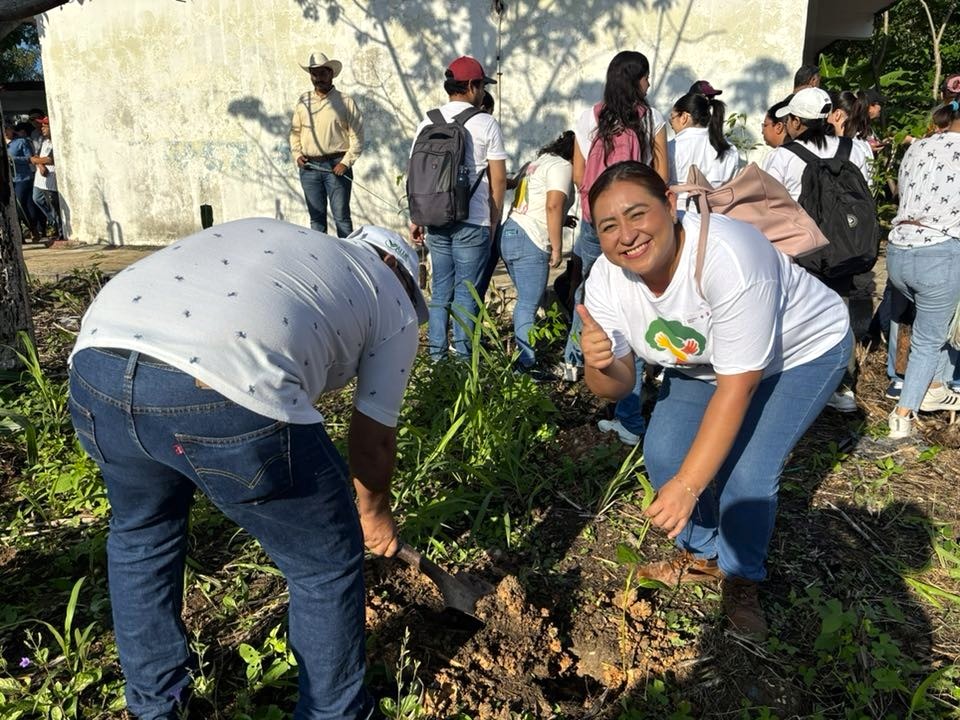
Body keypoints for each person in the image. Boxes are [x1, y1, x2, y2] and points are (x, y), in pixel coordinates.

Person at [67, 219, 428, 719]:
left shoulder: (283, 239)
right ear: (398, 269)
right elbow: (374, 442)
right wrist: (374, 516)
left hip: (97, 364)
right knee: (323, 560)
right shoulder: (393, 298)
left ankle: (157, 706)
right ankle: (335, 712)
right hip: (222, 382)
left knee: (142, 534)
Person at [578, 160, 851, 637]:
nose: (627, 235)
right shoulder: (607, 278)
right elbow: (617, 387)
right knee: (665, 452)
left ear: (669, 204)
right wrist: (597, 363)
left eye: (637, 214)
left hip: (798, 353)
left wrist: (688, 486)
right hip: (702, 361)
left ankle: (742, 576)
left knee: (747, 474)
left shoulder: (730, 256)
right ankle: (703, 555)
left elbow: (737, 388)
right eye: (609, 226)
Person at [563, 50, 669, 446]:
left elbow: (579, 175)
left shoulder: (589, 117)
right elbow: (661, 177)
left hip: (598, 221)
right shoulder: (652, 118)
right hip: (638, 226)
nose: (648, 84)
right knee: (635, 306)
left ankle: (581, 361)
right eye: (646, 77)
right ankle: (632, 414)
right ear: (638, 80)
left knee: (594, 298)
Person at [763, 88, 872, 413]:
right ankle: (842, 387)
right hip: (845, 248)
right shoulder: (857, 149)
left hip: (799, 251)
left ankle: (793, 382)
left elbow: (768, 205)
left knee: (795, 314)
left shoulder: (784, 156)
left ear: (796, 121)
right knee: (840, 314)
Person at [409, 56, 507, 361]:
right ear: (472, 86)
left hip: (435, 218)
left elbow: (414, 172)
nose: (483, 91)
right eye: (482, 86)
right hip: (473, 221)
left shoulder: (427, 121)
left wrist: (416, 217)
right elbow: (498, 180)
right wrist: (493, 221)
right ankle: (464, 363)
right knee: (467, 294)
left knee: (441, 292)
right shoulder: (486, 123)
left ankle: (438, 360)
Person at [885, 96, 960, 438]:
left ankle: (935, 386)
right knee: (929, 339)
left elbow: (903, 192)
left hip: (899, 251)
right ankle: (902, 417)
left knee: (928, 324)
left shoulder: (918, 147)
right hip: (940, 254)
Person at [500, 130, 575, 371]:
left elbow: (533, 201)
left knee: (526, 300)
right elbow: (553, 206)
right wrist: (557, 247)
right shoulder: (562, 166)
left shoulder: (536, 163)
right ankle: (526, 365)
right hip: (531, 239)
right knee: (528, 304)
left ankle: (526, 355)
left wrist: (563, 220)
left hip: (510, 232)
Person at [290, 51, 364, 236]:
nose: (318, 78)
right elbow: (295, 132)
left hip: (336, 166)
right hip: (309, 167)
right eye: (314, 74)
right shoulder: (304, 101)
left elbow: (357, 136)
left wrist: (345, 163)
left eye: (322, 73)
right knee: (316, 219)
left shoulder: (345, 101)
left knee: (342, 218)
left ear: (331, 73)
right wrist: (297, 155)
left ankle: (347, 253)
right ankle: (320, 255)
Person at [667, 90, 739, 215]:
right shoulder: (729, 149)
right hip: (718, 217)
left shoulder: (671, 147)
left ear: (684, 117)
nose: (672, 125)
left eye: (672, 118)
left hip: (680, 215)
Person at [8, 121, 44, 242]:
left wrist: (13, 159)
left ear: (12, 130)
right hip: (8, 180)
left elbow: (30, 158)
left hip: (22, 178)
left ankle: (33, 229)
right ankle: (19, 235)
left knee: (20, 205)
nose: (6, 132)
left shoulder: (21, 141)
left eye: (8, 129)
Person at [30, 116, 63, 241]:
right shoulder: (43, 141)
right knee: (37, 198)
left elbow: (50, 159)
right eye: (42, 126)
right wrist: (39, 164)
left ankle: (59, 230)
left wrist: (36, 161)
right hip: (40, 179)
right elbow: (35, 156)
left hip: (51, 179)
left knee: (54, 205)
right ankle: (52, 220)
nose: (42, 129)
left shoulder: (56, 142)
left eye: (45, 126)